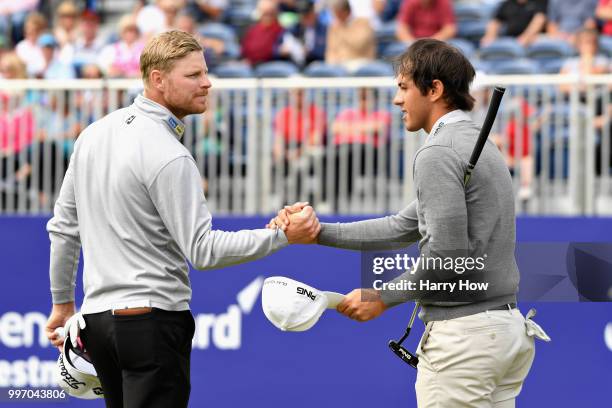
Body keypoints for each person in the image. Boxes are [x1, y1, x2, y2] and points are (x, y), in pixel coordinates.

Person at [44, 30, 319, 408]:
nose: (207, 83)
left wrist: (62, 304)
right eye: (193, 75)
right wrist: (283, 236)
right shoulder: (168, 153)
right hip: (149, 324)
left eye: (205, 73)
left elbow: (62, 229)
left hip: (97, 325)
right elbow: (204, 251)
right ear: (157, 79)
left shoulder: (92, 135)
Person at [271, 39, 538, 408]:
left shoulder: (437, 152)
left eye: (403, 88)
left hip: (466, 341)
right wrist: (318, 234)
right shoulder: (476, 142)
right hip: (504, 332)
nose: (397, 100)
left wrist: (382, 297)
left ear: (435, 90)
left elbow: (446, 256)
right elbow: (402, 226)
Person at [480, 0, 548, 47]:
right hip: (511, 40)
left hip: (531, 40)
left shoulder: (540, 2)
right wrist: (490, 36)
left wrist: (526, 37)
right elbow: (495, 21)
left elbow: (540, 19)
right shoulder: (508, 3)